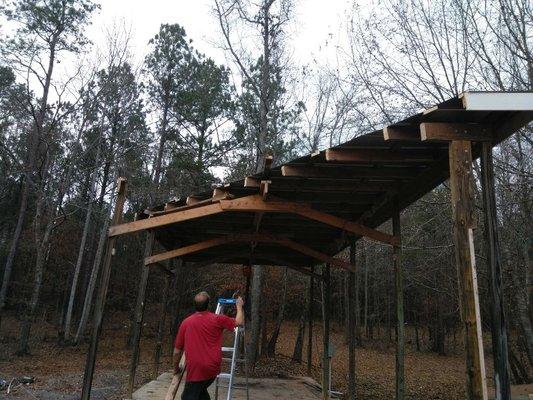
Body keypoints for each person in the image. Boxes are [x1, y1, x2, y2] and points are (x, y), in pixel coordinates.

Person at [173, 291, 244, 400]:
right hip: (212, 370)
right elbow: (239, 322)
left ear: (194, 305)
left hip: (196, 371)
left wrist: (176, 368)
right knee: (201, 393)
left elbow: (177, 351)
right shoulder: (217, 319)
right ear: (208, 304)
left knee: (187, 396)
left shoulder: (186, 323)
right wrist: (239, 307)